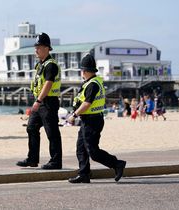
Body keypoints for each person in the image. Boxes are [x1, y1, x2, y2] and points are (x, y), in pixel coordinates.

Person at [67, 54, 126, 183]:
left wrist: (74, 115)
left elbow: (87, 103)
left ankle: (117, 164)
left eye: (82, 70)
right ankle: (84, 174)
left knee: (93, 151)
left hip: (92, 121)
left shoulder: (92, 85)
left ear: (86, 71)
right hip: (88, 120)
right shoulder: (92, 82)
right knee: (81, 148)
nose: (81, 73)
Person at [16, 32, 63, 170]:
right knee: (31, 128)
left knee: (52, 132)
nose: (36, 49)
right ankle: (32, 159)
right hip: (41, 102)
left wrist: (38, 100)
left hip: (48, 102)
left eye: (39, 47)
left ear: (47, 48)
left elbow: (48, 84)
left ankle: (56, 161)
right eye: (35, 47)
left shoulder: (51, 65)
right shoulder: (40, 65)